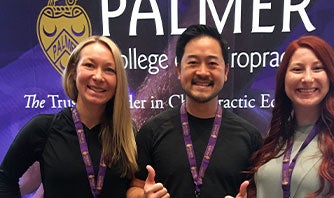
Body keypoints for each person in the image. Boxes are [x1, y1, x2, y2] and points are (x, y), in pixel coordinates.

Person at [233, 35, 334, 198]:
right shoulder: (277, 133)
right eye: (297, 69)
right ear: (284, 79)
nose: (307, 78)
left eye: (317, 68)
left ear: (331, 76)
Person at [126, 24, 263, 198]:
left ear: (226, 71)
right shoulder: (151, 131)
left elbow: (258, 191)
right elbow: (134, 187)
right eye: (193, 62)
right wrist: (143, 196)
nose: (203, 72)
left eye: (212, 63)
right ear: (178, 70)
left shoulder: (250, 137)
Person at [0, 35, 138, 197]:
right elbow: (5, 178)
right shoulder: (43, 129)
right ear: (73, 71)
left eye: (109, 69)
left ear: (118, 80)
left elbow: (135, 187)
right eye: (89, 65)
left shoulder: (127, 133)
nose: (98, 77)